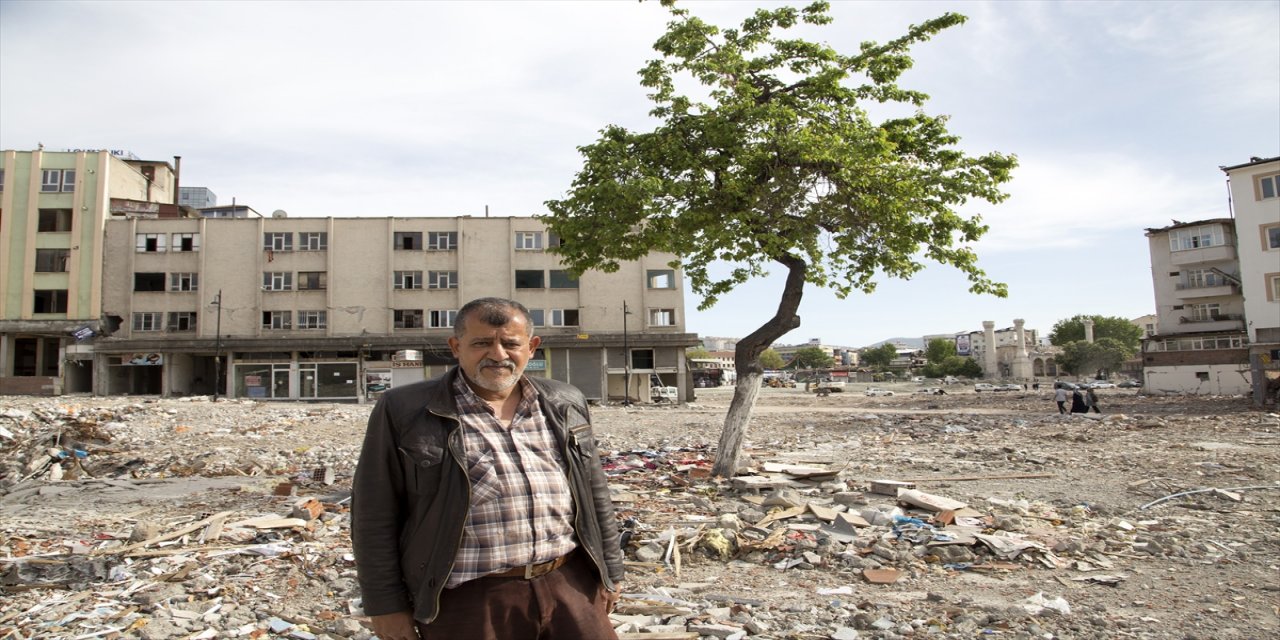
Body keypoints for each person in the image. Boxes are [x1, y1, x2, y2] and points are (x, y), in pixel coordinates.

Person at [352, 297, 624, 640]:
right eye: (482, 343)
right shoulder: (405, 410)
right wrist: (385, 606)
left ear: (532, 347)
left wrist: (611, 571)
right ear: (455, 346)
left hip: (570, 583)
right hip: (467, 600)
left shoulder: (564, 402)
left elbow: (594, 492)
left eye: (511, 343)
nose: (498, 354)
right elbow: (373, 514)